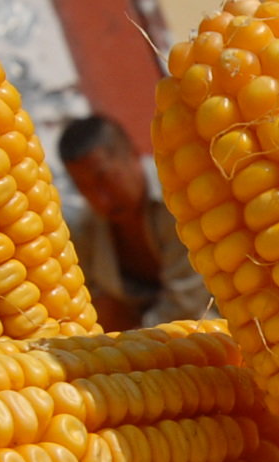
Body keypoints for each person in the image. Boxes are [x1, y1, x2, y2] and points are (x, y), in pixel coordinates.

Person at [56, 113, 213, 330]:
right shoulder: (85, 230)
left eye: (105, 179)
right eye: (84, 188)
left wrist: (134, 343)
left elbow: (186, 301)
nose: (101, 199)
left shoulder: (179, 199)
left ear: (133, 153)